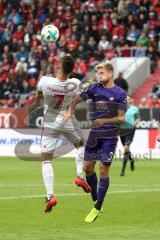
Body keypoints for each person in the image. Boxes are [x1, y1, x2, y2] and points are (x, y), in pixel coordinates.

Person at [64, 61, 127, 223]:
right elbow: (77, 99)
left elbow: (121, 118)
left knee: (103, 169)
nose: (99, 76)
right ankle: (95, 197)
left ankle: (98, 207)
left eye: (102, 73)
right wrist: (70, 109)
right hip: (94, 134)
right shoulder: (94, 88)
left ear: (111, 73)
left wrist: (105, 120)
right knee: (87, 168)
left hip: (110, 137)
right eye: (98, 73)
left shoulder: (120, 93)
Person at [32, 55, 91, 213]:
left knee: (46, 160)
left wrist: (37, 102)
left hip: (50, 122)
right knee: (80, 145)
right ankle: (79, 174)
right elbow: (83, 92)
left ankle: (50, 195)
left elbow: (38, 95)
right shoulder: (75, 84)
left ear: (59, 66)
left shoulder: (45, 81)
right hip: (67, 119)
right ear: (72, 70)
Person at [120, 96, 140, 176]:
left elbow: (138, 117)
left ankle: (122, 170)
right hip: (121, 130)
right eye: (125, 99)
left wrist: (136, 122)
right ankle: (131, 160)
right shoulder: (120, 108)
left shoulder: (134, 109)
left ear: (130, 101)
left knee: (126, 148)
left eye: (128, 99)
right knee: (126, 150)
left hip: (130, 130)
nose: (127, 100)